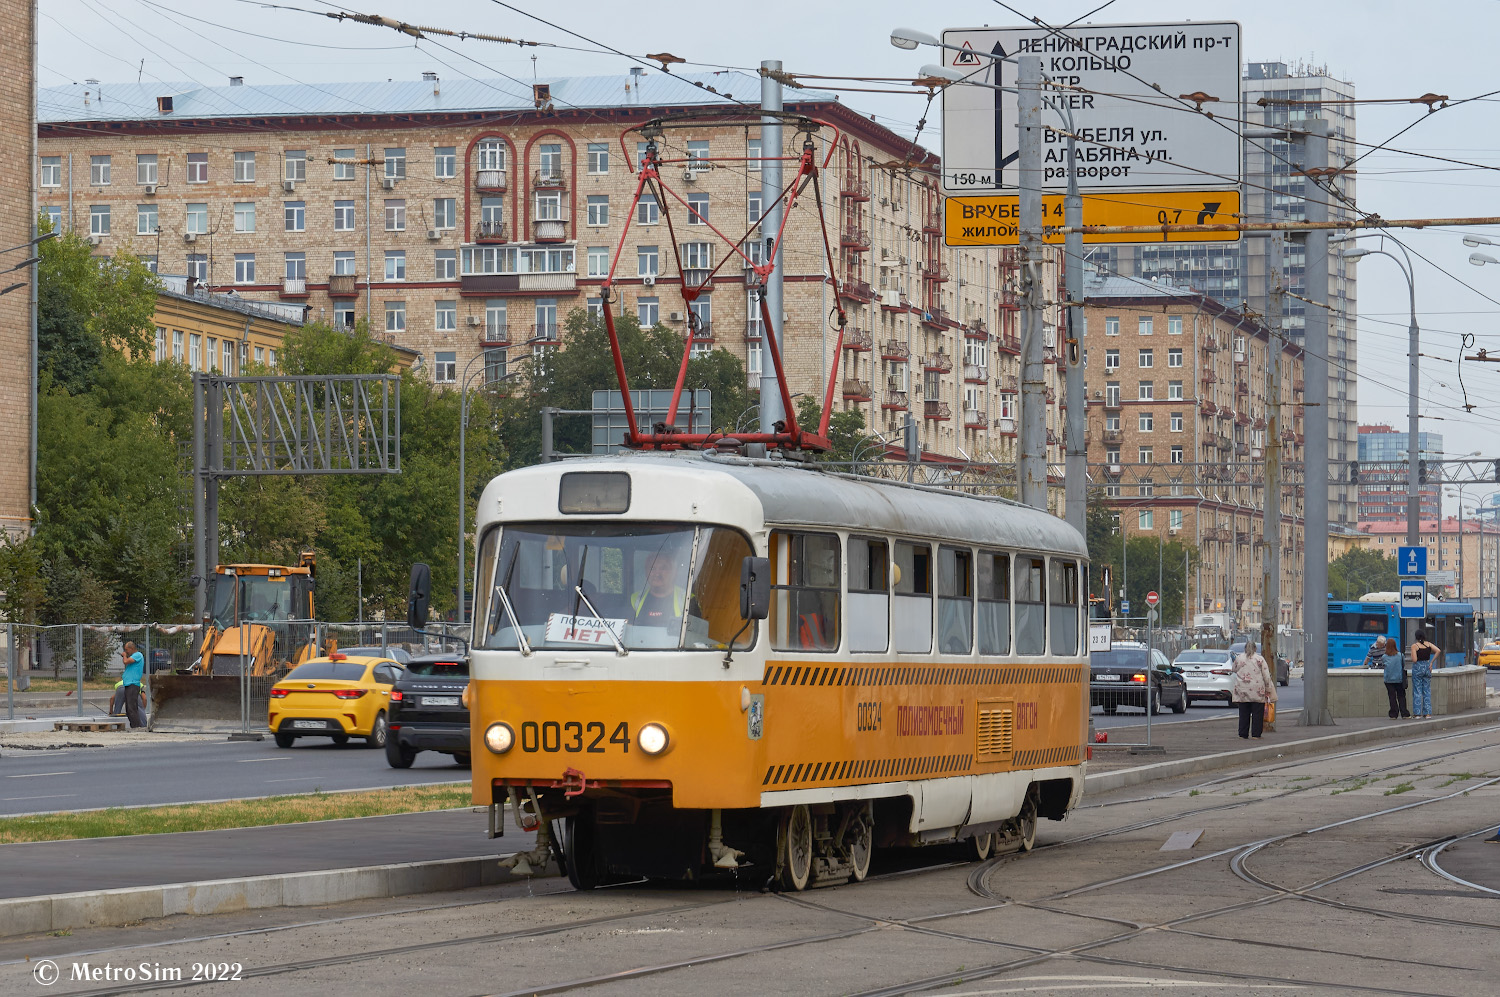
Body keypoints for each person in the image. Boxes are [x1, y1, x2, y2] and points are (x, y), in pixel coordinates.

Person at [1231, 639, 1277, 739]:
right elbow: (1266, 675)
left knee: (1243, 713)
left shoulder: (1239, 658)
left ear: (1245, 648)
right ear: (1255, 648)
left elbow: (1233, 669)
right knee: (1257, 713)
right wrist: (1268, 688)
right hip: (1257, 690)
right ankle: (1256, 734)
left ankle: (1243, 734)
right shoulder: (1259, 659)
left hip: (1242, 689)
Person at [630, 553, 687, 629]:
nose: (657, 573)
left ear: (674, 572)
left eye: (663, 568)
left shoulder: (687, 599)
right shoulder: (635, 599)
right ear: (646, 572)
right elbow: (626, 629)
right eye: (652, 568)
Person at [1409, 629, 1441, 719]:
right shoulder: (1429, 644)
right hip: (1427, 667)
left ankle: (1417, 713)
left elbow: (1414, 660)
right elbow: (1438, 650)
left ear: (1416, 637)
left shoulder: (1414, 646)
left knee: (1417, 691)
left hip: (1418, 668)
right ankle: (1427, 713)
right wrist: (1431, 662)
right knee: (1426, 691)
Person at [1381, 636, 1411, 720]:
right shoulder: (1400, 655)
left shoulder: (1384, 657)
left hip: (1388, 680)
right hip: (1399, 679)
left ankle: (1393, 714)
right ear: (1395, 645)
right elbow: (1403, 665)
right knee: (1401, 696)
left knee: (1392, 697)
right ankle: (1404, 713)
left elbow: (1383, 665)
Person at [120, 640, 145, 729]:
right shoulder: (134, 656)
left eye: (127, 650)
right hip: (129, 684)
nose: (126, 651)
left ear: (132, 648)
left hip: (133, 684)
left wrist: (124, 656)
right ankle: (134, 725)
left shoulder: (137, 655)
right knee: (129, 708)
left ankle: (137, 726)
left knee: (132, 708)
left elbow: (126, 661)